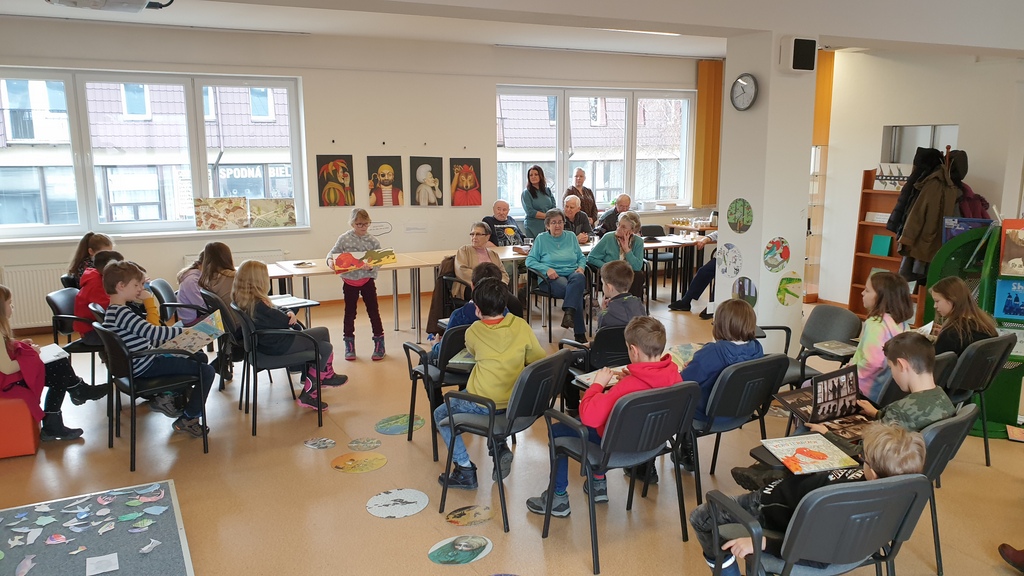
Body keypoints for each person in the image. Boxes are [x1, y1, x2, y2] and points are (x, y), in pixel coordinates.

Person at [690, 422, 927, 576]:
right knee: (788, 469)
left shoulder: (834, 504)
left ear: (873, 472)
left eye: (864, 459)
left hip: (771, 505)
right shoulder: (901, 494)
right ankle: (766, 476)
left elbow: (817, 556)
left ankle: (726, 570)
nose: (861, 460)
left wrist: (763, 543)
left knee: (701, 517)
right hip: (806, 494)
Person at [733, 332, 956, 490]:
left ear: (903, 365)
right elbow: (908, 421)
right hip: (907, 470)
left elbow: (862, 453)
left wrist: (827, 434)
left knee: (811, 429)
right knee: (818, 426)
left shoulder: (901, 411)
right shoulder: (943, 400)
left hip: (871, 468)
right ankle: (770, 472)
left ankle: (774, 476)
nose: (892, 375)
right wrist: (877, 414)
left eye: (891, 368)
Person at [526, 316, 679, 517]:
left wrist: (598, 385)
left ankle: (558, 498)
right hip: (654, 444)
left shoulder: (626, 388)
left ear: (634, 350)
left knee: (558, 431)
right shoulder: (675, 376)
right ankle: (597, 483)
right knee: (608, 422)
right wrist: (633, 377)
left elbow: (589, 417)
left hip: (617, 447)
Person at [434, 278, 545, 489]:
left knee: (440, 414)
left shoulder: (474, 331)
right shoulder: (521, 325)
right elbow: (537, 357)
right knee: (493, 405)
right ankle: (499, 446)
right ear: (505, 303)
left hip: (482, 403)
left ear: (477, 308)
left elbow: (473, 351)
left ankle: (464, 468)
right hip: (514, 402)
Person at [101, 260, 216, 437]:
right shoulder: (123, 313)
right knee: (207, 371)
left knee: (199, 358)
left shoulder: (113, 311)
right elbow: (153, 333)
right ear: (121, 286)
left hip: (140, 361)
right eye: (136, 285)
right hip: (146, 365)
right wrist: (188, 331)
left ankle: (169, 395)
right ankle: (189, 417)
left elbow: (147, 333)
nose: (141, 288)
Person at [233, 260, 348, 410]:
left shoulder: (245, 300)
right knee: (323, 331)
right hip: (279, 345)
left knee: (325, 348)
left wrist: (287, 311)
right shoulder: (260, 305)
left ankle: (311, 392)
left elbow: (278, 310)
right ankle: (325, 376)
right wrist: (289, 313)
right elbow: (284, 320)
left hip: (267, 343)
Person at [0, 284, 106, 441]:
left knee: (58, 364)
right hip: (6, 384)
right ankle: (77, 391)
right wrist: (32, 356)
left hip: (7, 378)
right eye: (9, 303)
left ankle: (63, 410)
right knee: (59, 369)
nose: (12, 307)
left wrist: (19, 344)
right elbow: (7, 368)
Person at [673, 298, 764, 476]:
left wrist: (689, 367)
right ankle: (687, 447)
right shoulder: (756, 348)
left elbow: (684, 382)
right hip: (742, 411)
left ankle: (685, 448)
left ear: (719, 325)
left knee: (679, 398)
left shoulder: (713, 352)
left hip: (708, 416)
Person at [430, 262, 521, 364]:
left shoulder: (459, 315)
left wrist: (436, 344)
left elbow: (444, 351)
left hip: (459, 365)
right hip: (496, 363)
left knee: (428, 357)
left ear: (472, 286)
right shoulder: (506, 314)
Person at [327, 208, 386, 361]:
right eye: (359, 224)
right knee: (350, 313)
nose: (363, 227)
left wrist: (371, 266)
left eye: (366, 224)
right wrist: (330, 262)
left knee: (373, 311)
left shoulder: (373, 241)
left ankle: (379, 343)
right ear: (352, 223)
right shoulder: (344, 239)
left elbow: (379, 260)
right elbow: (332, 253)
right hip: (350, 281)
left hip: (367, 280)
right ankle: (349, 344)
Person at [524, 208, 589, 343]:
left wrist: (581, 268)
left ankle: (569, 313)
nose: (558, 225)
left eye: (560, 222)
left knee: (579, 278)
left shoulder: (571, 236)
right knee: (574, 291)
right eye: (553, 222)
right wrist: (546, 269)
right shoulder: (541, 239)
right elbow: (529, 260)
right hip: (551, 279)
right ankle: (579, 333)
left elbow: (581, 257)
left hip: (572, 274)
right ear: (547, 225)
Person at [854, 271, 913, 403]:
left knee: (811, 387)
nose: (862, 293)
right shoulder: (903, 325)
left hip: (863, 391)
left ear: (882, 297)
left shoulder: (875, 323)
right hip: (884, 393)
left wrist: (849, 374)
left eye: (867, 290)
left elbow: (873, 362)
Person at [930, 276, 997, 356]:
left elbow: (936, 360)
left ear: (952, 299)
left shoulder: (951, 334)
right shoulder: (984, 325)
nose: (935, 306)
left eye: (937, 301)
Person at [587, 210, 645, 298]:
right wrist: (608, 267)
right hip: (611, 273)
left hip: (627, 273)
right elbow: (591, 258)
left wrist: (627, 250)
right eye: (618, 224)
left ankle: (631, 303)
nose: (618, 228)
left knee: (638, 275)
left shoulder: (638, 241)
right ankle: (617, 304)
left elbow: (637, 267)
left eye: (623, 227)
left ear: (632, 230)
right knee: (617, 277)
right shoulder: (608, 237)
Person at [176, 242, 236, 326]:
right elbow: (202, 306)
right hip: (194, 319)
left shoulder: (196, 276)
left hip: (197, 315)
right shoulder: (192, 280)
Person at [74, 250, 124, 345]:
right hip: (91, 332)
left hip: (97, 326)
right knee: (132, 336)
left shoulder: (99, 277)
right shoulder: (96, 284)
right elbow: (110, 309)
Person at [453, 222, 509, 301]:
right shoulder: (464, 250)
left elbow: (503, 273)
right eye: (472, 234)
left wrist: (500, 284)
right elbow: (461, 271)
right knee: (490, 300)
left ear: (487, 237)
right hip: (472, 287)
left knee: (514, 303)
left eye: (478, 234)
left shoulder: (493, 254)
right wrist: (485, 282)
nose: (474, 237)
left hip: (494, 288)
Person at [668, 231, 718, 312]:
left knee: (719, 278)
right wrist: (706, 238)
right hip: (723, 257)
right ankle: (686, 301)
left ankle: (713, 307)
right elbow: (717, 233)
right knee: (703, 271)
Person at [596, 260, 646, 330]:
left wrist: (603, 311)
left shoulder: (605, 315)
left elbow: (601, 335)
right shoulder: (640, 306)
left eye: (603, 283)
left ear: (609, 287)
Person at [521, 165, 557, 238]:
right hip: (533, 226)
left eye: (536, 174)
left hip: (548, 225)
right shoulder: (526, 193)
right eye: (531, 175)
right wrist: (548, 216)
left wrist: (550, 218)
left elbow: (553, 206)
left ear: (541, 176)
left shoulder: (547, 190)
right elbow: (530, 211)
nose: (533, 177)